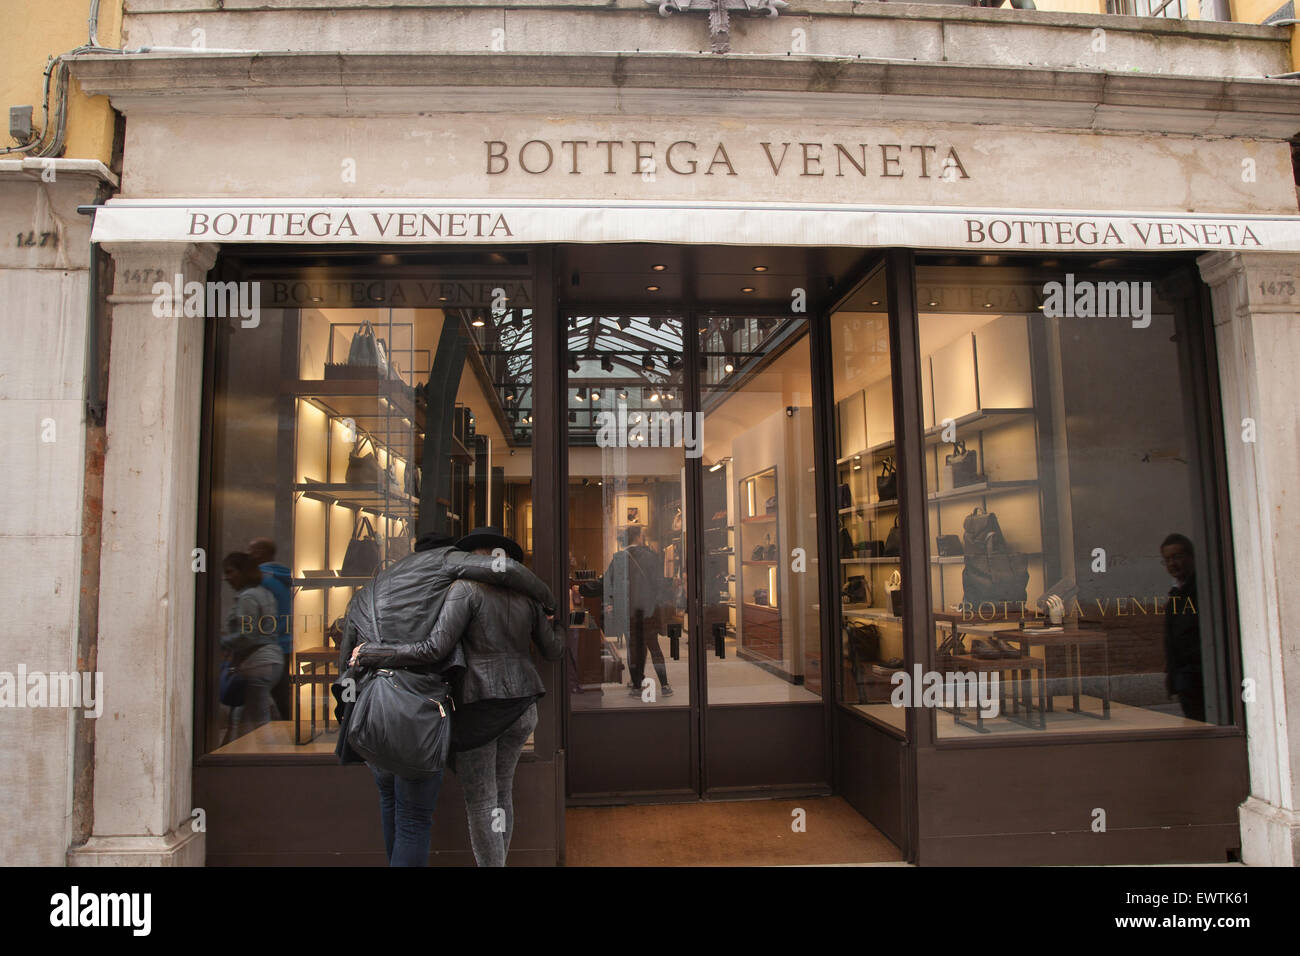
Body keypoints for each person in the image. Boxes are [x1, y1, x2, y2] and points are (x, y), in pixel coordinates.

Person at [339, 528, 556, 868]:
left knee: (395, 801)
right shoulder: (463, 580)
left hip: (376, 706)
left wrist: (354, 692)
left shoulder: (377, 587)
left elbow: (352, 657)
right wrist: (551, 604)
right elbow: (551, 648)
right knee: (485, 798)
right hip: (452, 706)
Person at [604, 525, 673, 698]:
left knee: (634, 648)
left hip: (629, 612)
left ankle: (637, 686)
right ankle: (664, 685)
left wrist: (610, 602)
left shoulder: (619, 558)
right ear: (637, 537)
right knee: (654, 647)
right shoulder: (650, 557)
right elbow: (659, 584)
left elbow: (607, 582)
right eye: (642, 535)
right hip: (648, 610)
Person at [220, 551, 283, 738]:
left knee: (258, 721)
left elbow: (247, 635)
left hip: (257, 661)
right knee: (251, 713)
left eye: (230, 572)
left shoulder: (247, 597)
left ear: (243, 571)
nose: (227, 578)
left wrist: (222, 642)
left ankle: (272, 759)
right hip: (269, 659)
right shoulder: (265, 594)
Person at [248, 537, 293, 721]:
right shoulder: (281, 577)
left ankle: (272, 739)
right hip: (284, 643)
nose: (249, 554)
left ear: (262, 553)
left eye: (253, 550)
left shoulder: (261, 580)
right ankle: (285, 733)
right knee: (280, 696)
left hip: (267, 646)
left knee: (257, 700)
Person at [1161, 532, 1204, 722]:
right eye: (1167, 559)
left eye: (1177, 557)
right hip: (1185, 678)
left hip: (1199, 676)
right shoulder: (1177, 593)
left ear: (1191, 557)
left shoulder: (1201, 590)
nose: (1172, 564)